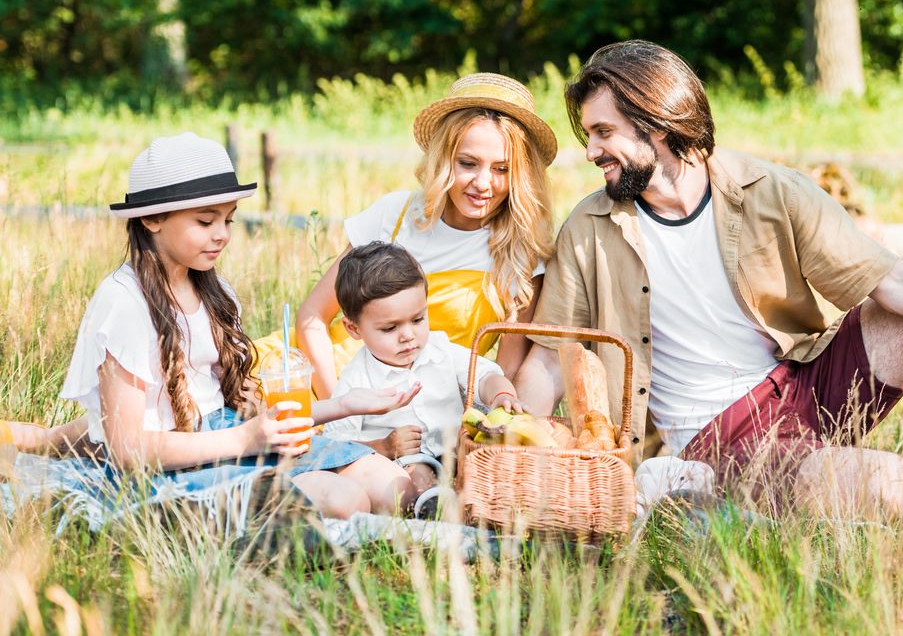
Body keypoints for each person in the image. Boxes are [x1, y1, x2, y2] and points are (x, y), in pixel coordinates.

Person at [515, 41, 903, 521]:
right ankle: (737, 493)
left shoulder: (768, 190)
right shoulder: (590, 227)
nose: (590, 152)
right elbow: (548, 357)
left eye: (603, 132)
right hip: (717, 441)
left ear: (655, 122)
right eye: (589, 136)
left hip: (804, 384)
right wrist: (510, 440)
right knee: (891, 488)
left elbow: (892, 282)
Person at [59, 133, 419, 519]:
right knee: (345, 501)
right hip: (174, 463)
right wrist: (245, 439)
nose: (223, 235)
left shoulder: (213, 288)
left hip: (232, 435)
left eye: (228, 220)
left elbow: (245, 415)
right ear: (152, 218)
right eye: (205, 221)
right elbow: (128, 449)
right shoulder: (123, 303)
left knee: (394, 490)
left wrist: (343, 406)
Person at [258, 73, 556, 398]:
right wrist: (338, 409)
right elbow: (313, 315)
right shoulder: (396, 215)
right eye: (468, 163)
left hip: (412, 406)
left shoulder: (522, 253)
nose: (484, 183)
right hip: (313, 379)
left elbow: (504, 372)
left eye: (502, 169)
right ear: (443, 159)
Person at [321, 242, 521, 509]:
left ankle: (491, 500)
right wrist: (384, 446)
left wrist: (501, 393)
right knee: (415, 475)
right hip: (404, 463)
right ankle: (431, 507)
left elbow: (483, 375)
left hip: (458, 450)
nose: (408, 335)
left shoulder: (441, 350)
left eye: (417, 320)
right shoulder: (357, 379)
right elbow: (338, 445)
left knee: (488, 458)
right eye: (390, 328)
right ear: (354, 328)